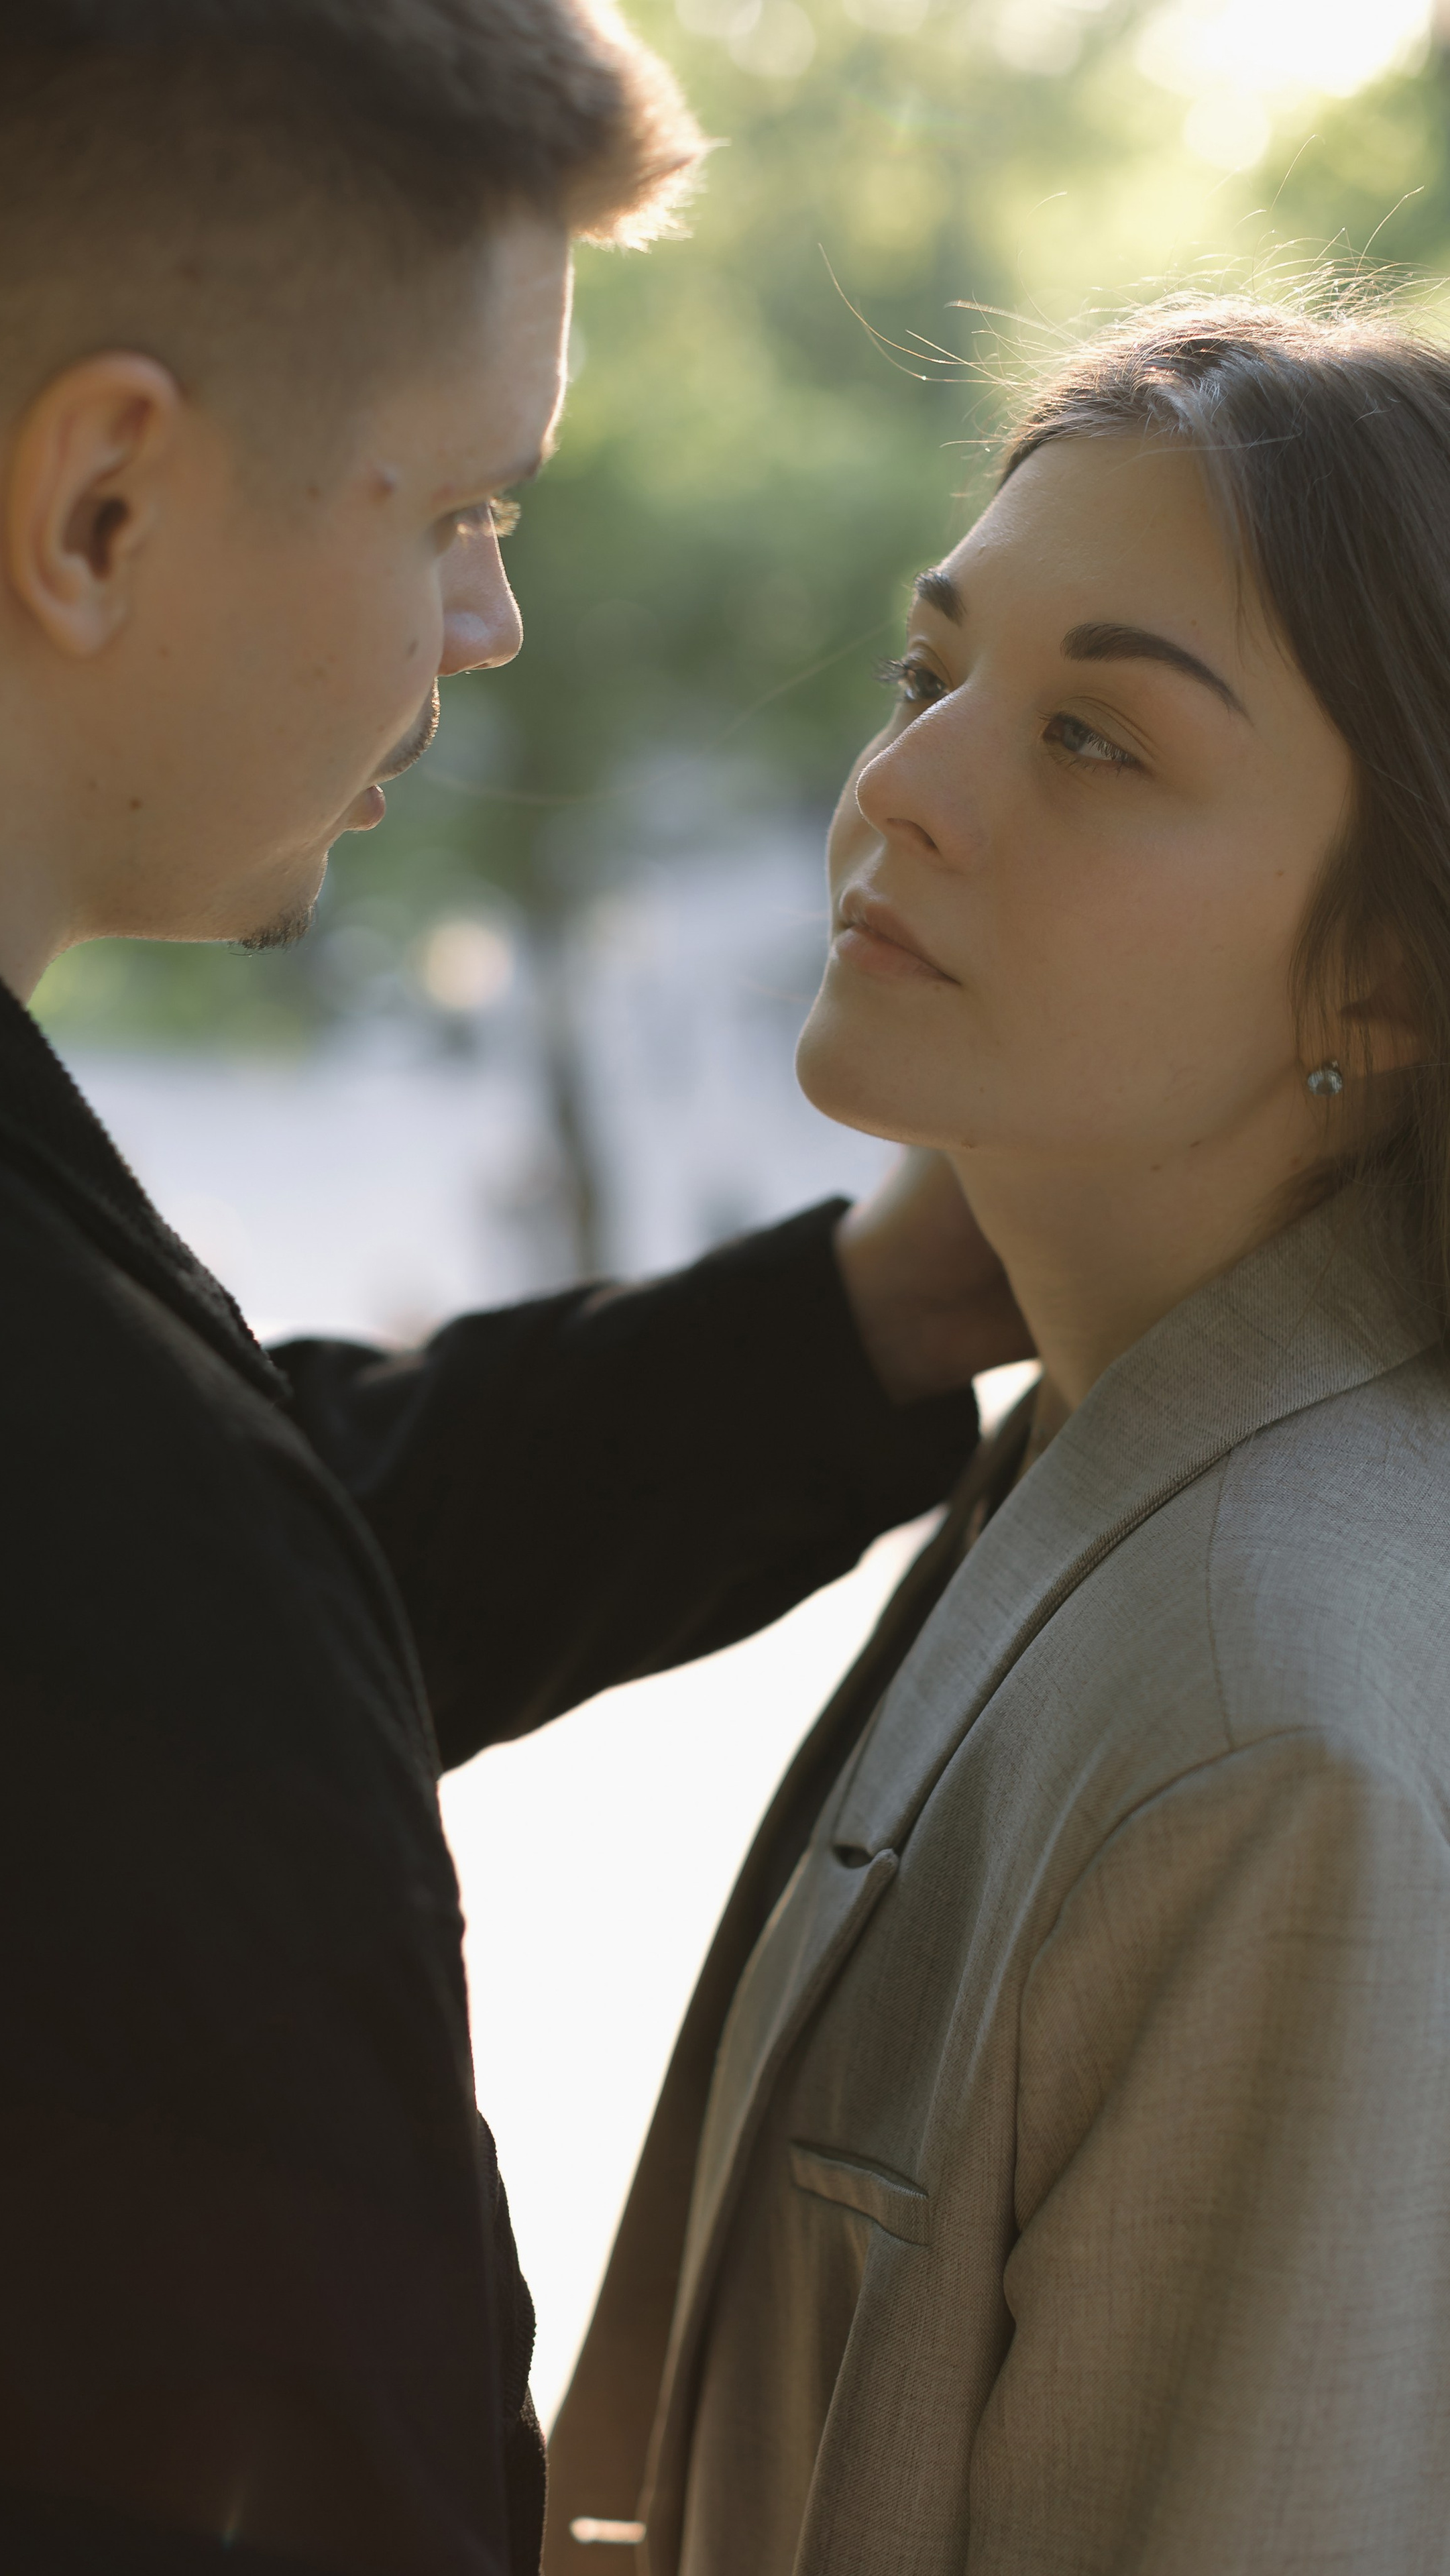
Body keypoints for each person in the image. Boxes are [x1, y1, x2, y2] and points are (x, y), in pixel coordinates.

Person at [0, 5, 1036, 2571]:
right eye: (460, 501)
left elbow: (173, 1562)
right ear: (101, 503)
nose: (490, 621)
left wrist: (875, 1312)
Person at [546, 293, 1450, 2576]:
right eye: (931, 675)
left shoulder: (1278, 1727)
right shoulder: (1095, 1432)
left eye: (1098, 742)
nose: (907, 789)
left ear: (1396, 974)